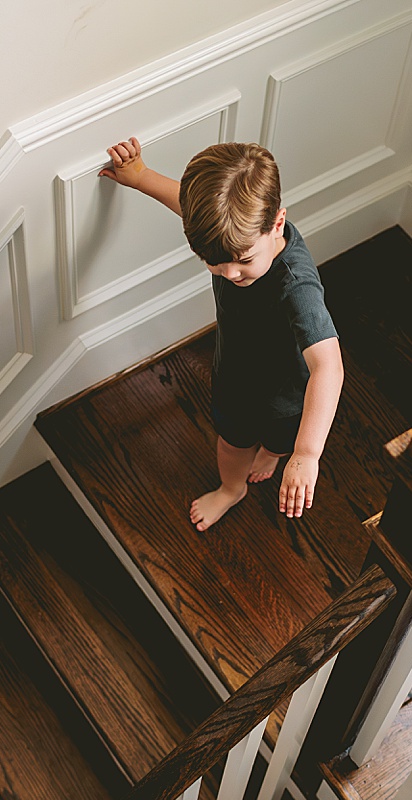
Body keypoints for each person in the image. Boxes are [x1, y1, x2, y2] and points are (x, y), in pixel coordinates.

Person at [99, 137, 344, 531]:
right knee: (231, 445)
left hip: (286, 397)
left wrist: (306, 454)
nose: (231, 274)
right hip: (234, 379)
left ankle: (272, 453)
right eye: (214, 263)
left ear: (277, 223)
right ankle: (232, 489)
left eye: (243, 260)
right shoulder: (229, 231)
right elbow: (187, 204)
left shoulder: (296, 286)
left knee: (279, 443)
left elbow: (329, 367)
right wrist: (140, 176)